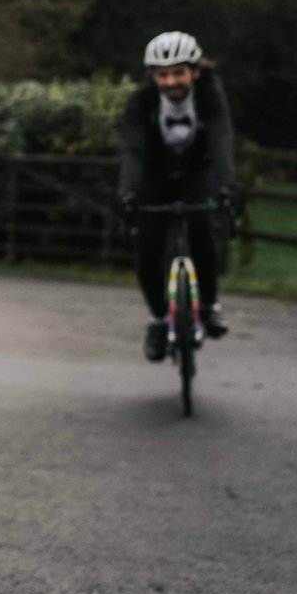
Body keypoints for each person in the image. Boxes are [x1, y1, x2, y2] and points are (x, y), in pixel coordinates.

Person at [117, 30, 237, 360]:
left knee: (201, 229)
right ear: (153, 76)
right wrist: (127, 192)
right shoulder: (140, 102)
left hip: (196, 173)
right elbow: (132, 149)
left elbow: (221, 138)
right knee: (149, 248)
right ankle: (158, 319)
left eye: (178, 73)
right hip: (154, 176)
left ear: (195, 72)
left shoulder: (210, 96)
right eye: (163, 75)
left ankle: (209, 305)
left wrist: (228, 185)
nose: (171, 82)